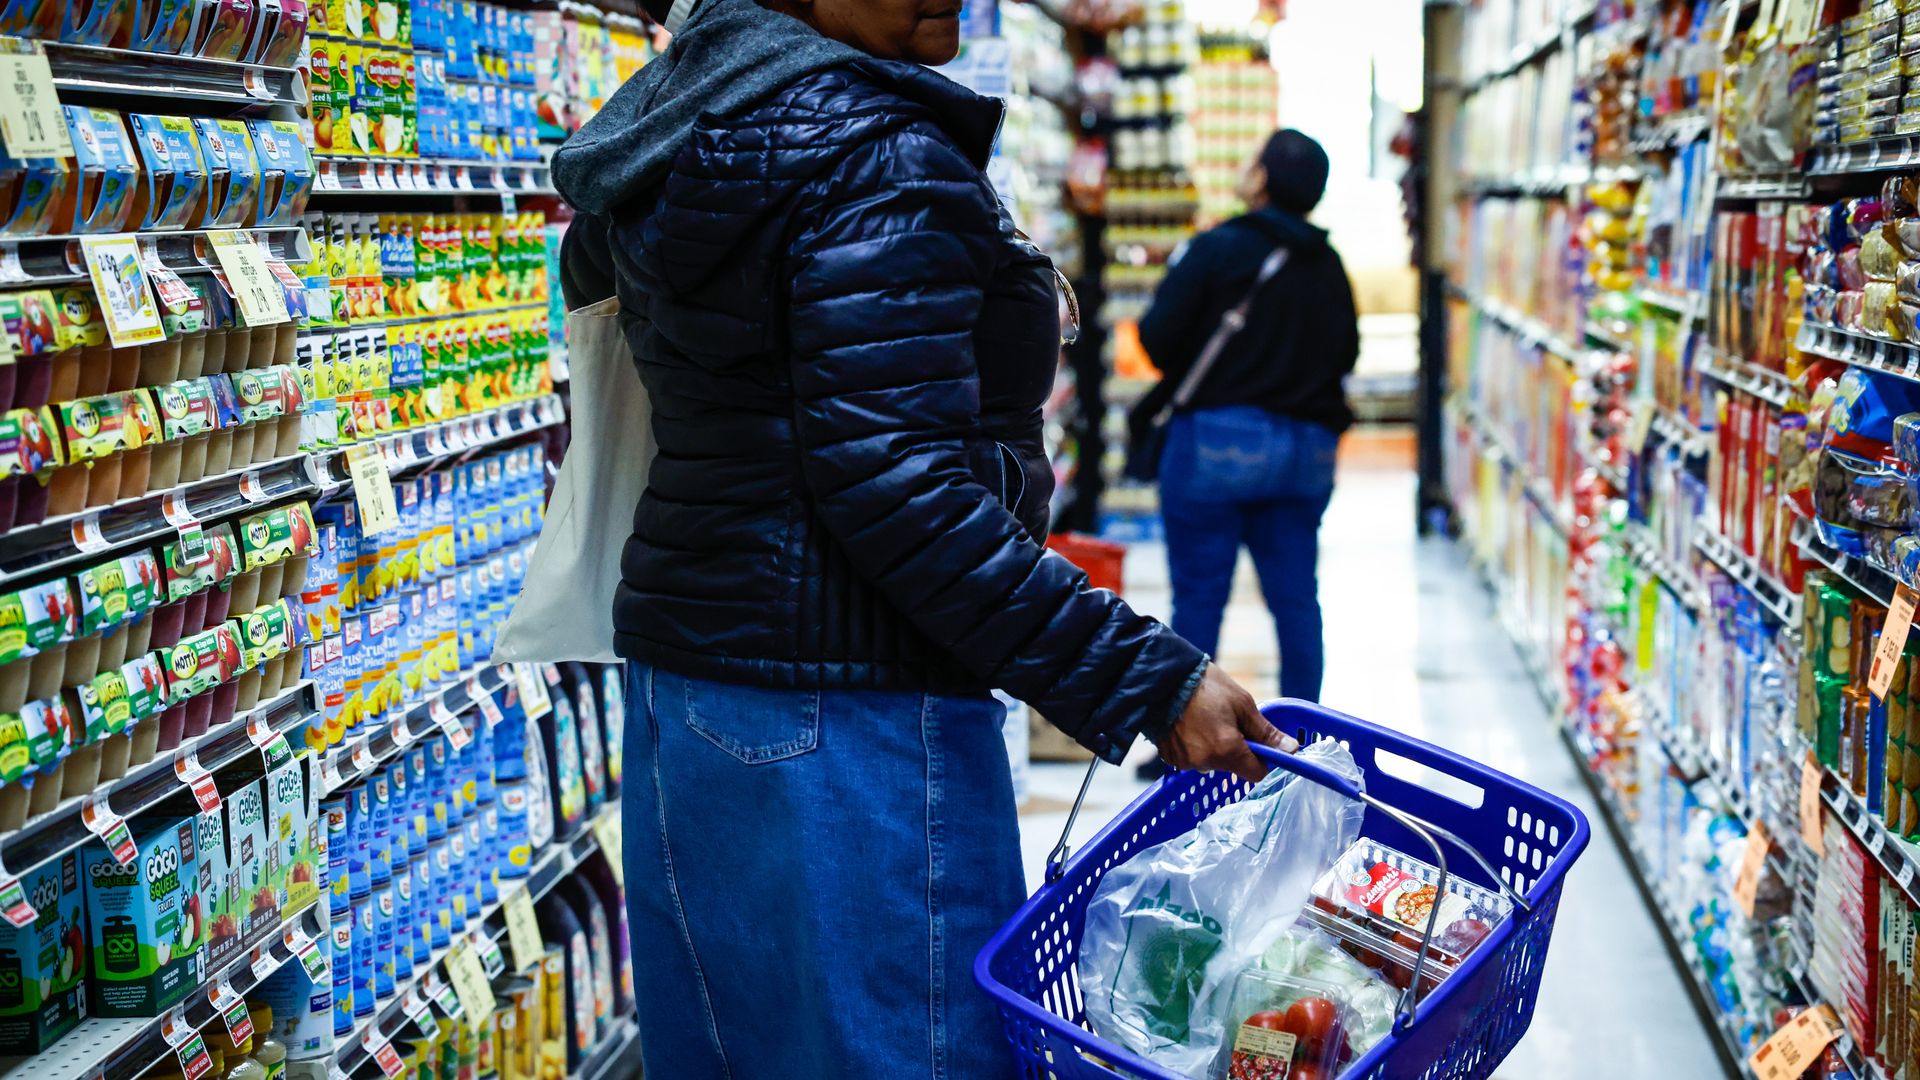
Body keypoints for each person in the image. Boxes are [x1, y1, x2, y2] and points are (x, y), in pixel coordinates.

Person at [548, 0, 1294, 1075]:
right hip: (851, 710)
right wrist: (1150, 680)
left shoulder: (680, 121)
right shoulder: (880, 152)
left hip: (690, 701)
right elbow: (901, 490)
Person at [1130, 129, 1361, 707]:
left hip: (1216, 443)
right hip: (1305, 449)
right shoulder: (1328, 264)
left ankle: (1182, 739)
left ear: (1260, 178)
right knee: (1296, 599)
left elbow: (1158, 337)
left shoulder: (1219, 248)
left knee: (1200, 599)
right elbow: (1346, 354)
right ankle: (1306, 739)